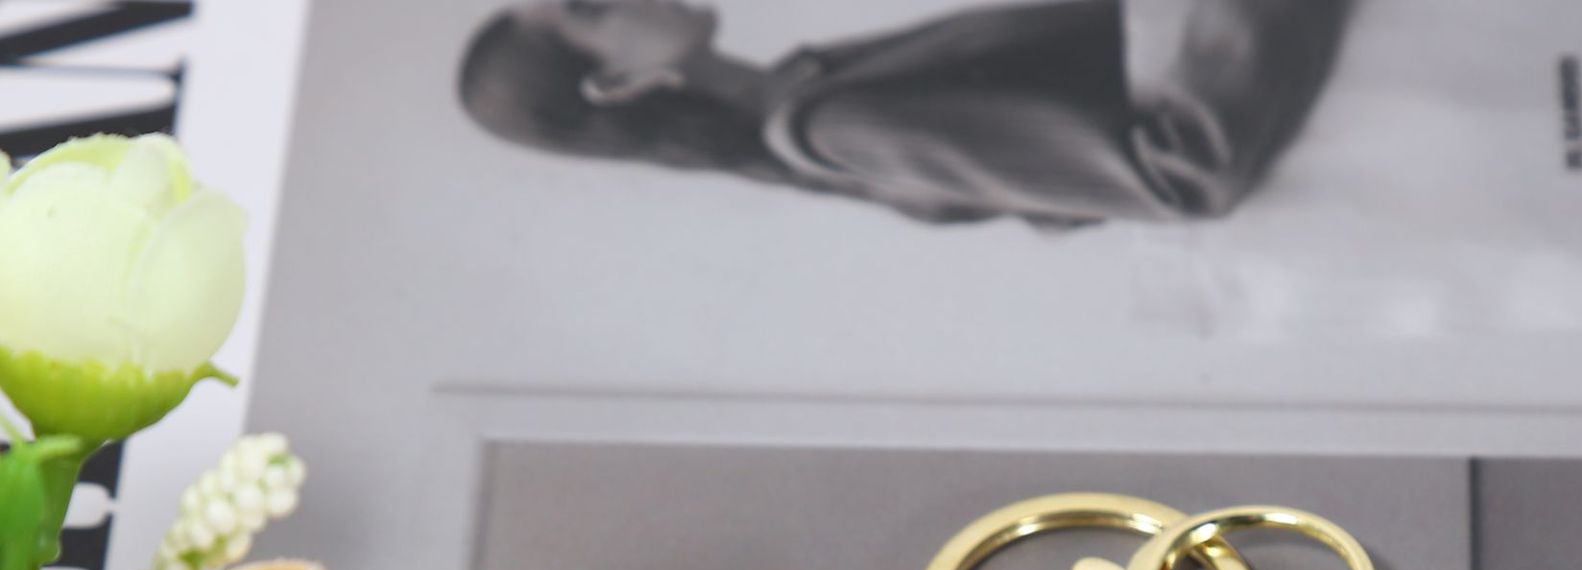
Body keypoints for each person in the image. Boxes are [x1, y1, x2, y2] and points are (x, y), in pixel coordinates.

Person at [458, 0, 1351, 225]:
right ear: (616, 85)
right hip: (1342, 99)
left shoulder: (814, 90)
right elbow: (1180, 174)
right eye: (590, 8)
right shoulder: (828, 124)